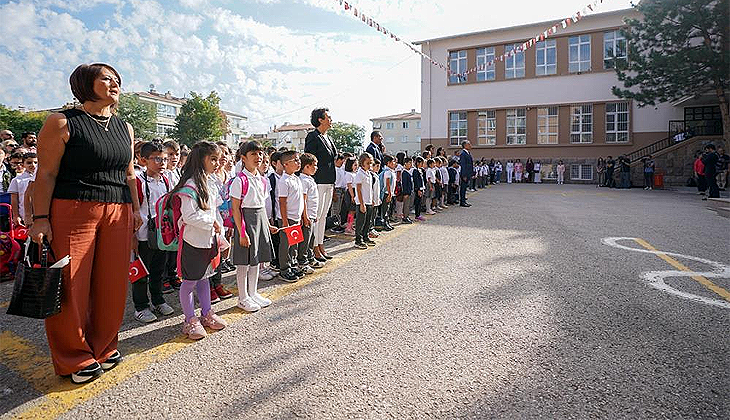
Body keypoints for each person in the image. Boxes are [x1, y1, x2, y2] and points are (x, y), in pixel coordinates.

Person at [29, 63, 143, 383]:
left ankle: (104, 346)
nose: (115, 83)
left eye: (117, 78)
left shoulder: (126, 127)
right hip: (73, 209)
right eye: (106, 78)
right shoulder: (62, 122)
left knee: (112, 284)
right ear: (85, 84)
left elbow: (129, 175)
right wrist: (40, 219)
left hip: (118, 211)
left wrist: (135, 210)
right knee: (70, 284)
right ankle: (73, 357)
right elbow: (46, 174)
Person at [173, 141, 228, 340]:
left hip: (208, 239)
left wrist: (219, 232)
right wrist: (211, 222)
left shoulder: (209, 181)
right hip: (193, 241)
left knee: (205, 277)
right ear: (200, 159)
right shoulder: (191, 185)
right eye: (212, 159)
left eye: (217, 159)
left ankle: (207, 313)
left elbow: (215, 211)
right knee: (189, 282)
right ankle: (190, 319)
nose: (217, 163)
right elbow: (189, 216)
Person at [231, 141, 278, 312]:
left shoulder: (262, 180)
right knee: (243, 262)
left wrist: (267, 225)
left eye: (260, 154)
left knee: (256, 260)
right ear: (243, 158)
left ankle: (253, 292)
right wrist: (242, 233)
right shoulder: (240, 180)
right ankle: (243, 297)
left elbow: (262, 206)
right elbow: (235, 208)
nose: (258, 157)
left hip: (259, 221)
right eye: (253, 154)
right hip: (245, 223)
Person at [131, 141, 174, 323]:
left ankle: (158, 300)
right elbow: (131, 212)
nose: (162, 163)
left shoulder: (165, 180)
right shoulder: (137, 182)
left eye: (164, 159)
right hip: (142, 235)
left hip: (161, 234)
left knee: (158, 269)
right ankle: (141, 306)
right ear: (143, 160)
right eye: (156, 159)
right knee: (141, 272)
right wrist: (132, 237)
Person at [303, 108, 338, 262]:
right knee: (316, 216)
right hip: (318, 181)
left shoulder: (328, 137)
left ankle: (320, 245)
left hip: (329, 181)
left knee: (323, 216)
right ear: (320, 119)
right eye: (328, 117)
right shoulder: (313, 136)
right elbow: (309, 158)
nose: (331, 119)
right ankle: (313, 248)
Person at [277, 150, 306, 282]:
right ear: (286, 164)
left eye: (298, 160)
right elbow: (282, 202)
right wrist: (284, 221)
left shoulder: (296, 178)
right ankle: (284, 269)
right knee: (286, 245)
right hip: (287, 218)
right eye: (295, 160)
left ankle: (293, 264)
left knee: (294, 243)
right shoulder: (284, 181)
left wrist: (300, 216)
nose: (298, 162)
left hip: (295, 217)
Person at [298, 152, 320, 273]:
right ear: (306, 166)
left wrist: (314, 215)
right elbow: (304, 199)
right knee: (305, 241)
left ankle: (310, 258)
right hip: (307, 215)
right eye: (314, 165)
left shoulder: (310, 179)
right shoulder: (303, 180)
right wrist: (305, 216)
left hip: (312, 214)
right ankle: (302, 262)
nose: (316, 168)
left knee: (311, 238)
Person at [353, 152, 375, 249]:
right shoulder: (359, 174)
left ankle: (365, 237)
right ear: (362, 164)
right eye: (368, 163)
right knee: (360, 222)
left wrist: (372, 200)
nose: (370, 165)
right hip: (362, 202)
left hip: (368, 201)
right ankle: (358, 240)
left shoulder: (369, 174)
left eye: (371, 163)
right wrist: (361, 204)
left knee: (367, 221)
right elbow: (358, 189)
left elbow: (369, 189)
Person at [8, 152, 36, 226]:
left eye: (36, 162)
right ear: (23, 164)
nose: (33, 165)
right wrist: (16, 216)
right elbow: (14, 200)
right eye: (29, 163)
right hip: (24, 215)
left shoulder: (43, 179)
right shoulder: (17, 180)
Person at [379, 155, 396, 230]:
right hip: (386, 193)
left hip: (390, 193)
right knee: (385, 209)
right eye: (393, 162)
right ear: (388, 163)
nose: (394, 163)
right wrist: (389, 194)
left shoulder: (391, 171)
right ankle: (384, 224)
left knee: (388, 208)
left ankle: (387, 222)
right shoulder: (387, 172)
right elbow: (388, 183)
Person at [341, 157, 357, 235]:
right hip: (351, 192)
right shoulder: (348, 174)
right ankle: (348, 228)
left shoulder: (354, 173)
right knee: (351, 210)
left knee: (353, 211)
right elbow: (349, 185)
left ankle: (350, 225)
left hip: (354, 191)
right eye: (355, 165)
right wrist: (352, 196)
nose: (356, 166)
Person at [458, 141, 473, 207]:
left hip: (468, 173)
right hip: (465, 174)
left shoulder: (468, 153)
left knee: (465, 188)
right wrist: (463, 175)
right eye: (469, 144)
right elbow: (463, 165)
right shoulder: (463, 154)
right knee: (463, 188)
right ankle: (462, 201)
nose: (470, 145)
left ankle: (464, 200)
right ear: (465, 145)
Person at [400, 157, 414, 224]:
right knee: (406, 205)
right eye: (409, 163)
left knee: (408, 205)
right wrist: (405, 193)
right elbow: (404, 184)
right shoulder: (404, 173)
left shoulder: (408, 172)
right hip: (407, 192)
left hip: (409, 191)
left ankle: (407, 216)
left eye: (411, 163)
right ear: (405, 164)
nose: (411, 165)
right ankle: (405, 218)